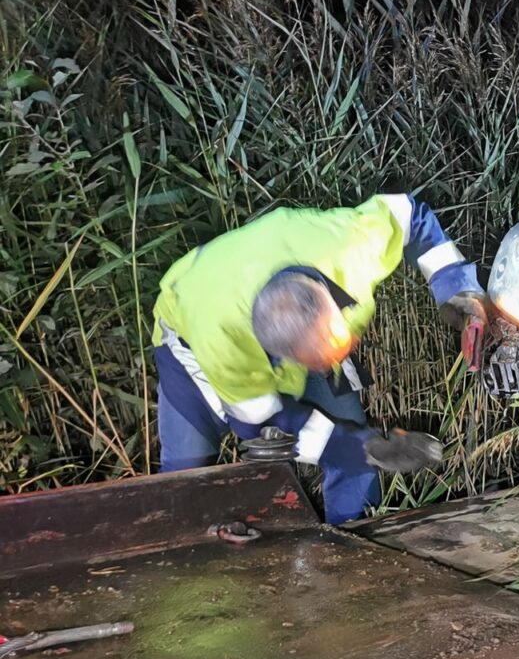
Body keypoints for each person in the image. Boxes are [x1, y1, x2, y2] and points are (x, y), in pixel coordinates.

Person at [151, 193, 487, 524]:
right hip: (189, 344)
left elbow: (409, 213)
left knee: (355, 450)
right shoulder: (223, 338)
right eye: (314, 361)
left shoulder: (348, 245)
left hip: (282, 297)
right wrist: (361, 446)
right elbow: (261, 420)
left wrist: (455, 287)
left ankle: (353, 541)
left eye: (335, 343)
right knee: (185, 475)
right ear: (283, 355)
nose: (327, 362)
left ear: (328, 305)